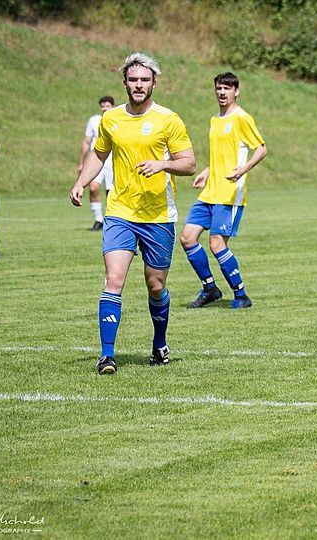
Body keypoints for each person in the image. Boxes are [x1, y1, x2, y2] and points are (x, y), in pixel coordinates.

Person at [70, 52, 196, 375]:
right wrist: (81, 182)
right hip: (120, 212)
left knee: (155, 286)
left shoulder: (169, 119)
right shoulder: (111, 119)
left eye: (144, 80)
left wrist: (162, 164)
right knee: (114, 279)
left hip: (158, 215)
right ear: (124, 83)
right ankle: (107, 356)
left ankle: (159, 343)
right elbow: (99, 154)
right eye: (133, 79)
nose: (139, 85)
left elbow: (189, 163)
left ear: (154, 83)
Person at [181, 72, 267, 309]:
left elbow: (261, 148)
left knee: (217, 243)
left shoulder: (242, 118)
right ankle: (210, 289)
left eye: (227, 88)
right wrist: (207, 171)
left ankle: (241, 296)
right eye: (219, 88)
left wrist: (244, 169)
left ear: (236, 91)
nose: (222, 92)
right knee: (187, 238)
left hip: (229, 193)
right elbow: (221, 154)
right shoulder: (215, 120)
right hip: (210, 191)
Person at [77, 95, 116, 231]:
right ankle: (98, 219)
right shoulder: (94, 120)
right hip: (96, 159)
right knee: (93, 188)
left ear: (112, 107)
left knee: (111, 192)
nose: (105, 108)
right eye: (103, 106)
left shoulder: (116, 120)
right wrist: (81, 162)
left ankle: (110, 219)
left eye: (108, 106)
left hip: (112, 161)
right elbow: (87, 141)